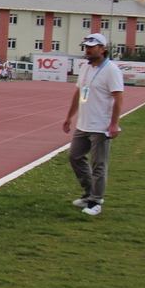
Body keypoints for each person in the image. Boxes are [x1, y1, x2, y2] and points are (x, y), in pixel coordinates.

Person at [62, 33, 124, 216]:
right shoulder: (85, 68)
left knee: (99, 165)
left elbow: (119, 99)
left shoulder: (111, 70)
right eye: (86, 47)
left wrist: (114, 124)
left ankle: (96, 202)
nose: (87, 50)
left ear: (103, 49)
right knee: (75, 156)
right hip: (84, 124)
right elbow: (79, 93)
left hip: (101, 126)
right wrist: (69, 117)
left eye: (91, 47)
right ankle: (89, 193)